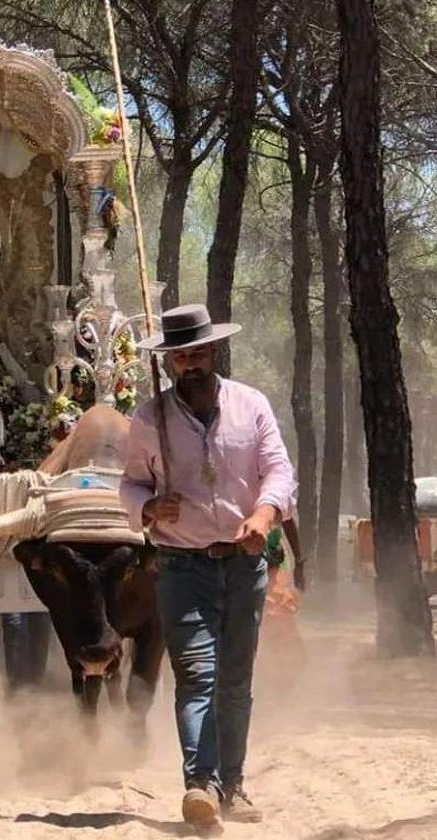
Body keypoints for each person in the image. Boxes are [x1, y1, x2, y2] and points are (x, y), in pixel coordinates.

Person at [120, 303, 296, 830]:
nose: (191, 364)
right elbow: (129, 485)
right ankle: (199, 784)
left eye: (198, 353)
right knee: (197, 675)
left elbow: (280, 471)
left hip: (244, 564)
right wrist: (149, 508)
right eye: (180, 357)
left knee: (236, 680)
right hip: (181, 565)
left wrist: (265, 514)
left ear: (214, 351)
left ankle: (233, 786)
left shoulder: (252, 406)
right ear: (170, 362)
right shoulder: (149, 420)